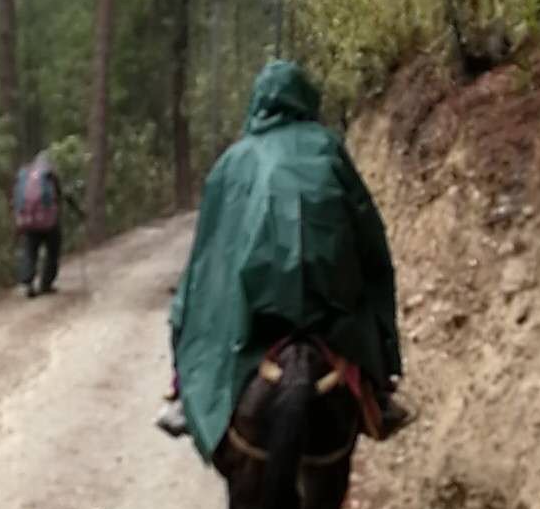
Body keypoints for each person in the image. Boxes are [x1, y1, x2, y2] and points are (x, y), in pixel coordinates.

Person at [156, 60, 410, 450]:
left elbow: (208, 255)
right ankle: (379, 391)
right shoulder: (329, 148)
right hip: (326, 305)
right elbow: (368, 235)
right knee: (368, 293)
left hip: (256, 308)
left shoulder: (233, 160)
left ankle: (182, 394)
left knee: (198, 303)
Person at [12, 150, 63, 297]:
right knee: (53, 251)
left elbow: (17, 199)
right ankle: (46, 284)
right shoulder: (50, 174)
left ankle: (27, 283)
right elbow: (60, 195)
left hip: (29, 222)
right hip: (49, 222)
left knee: (29, 251)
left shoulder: (25, 173)